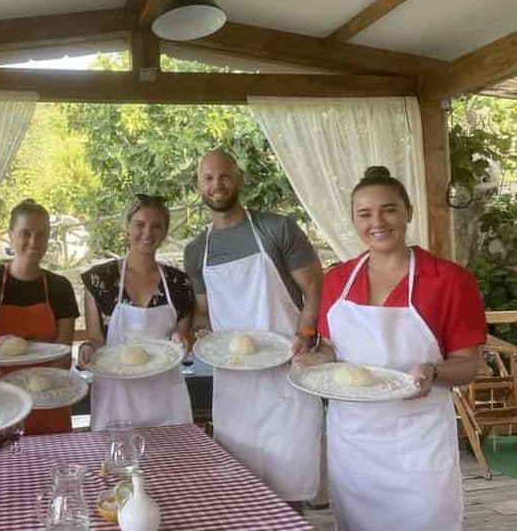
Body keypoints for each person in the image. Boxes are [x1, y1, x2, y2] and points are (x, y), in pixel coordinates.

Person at [293, 166, 485, 531]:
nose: (377, 222)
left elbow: (468, 364)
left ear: (408, 211)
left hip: (419, 442)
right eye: (364, 214)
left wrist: (433, 372)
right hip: (354, 443)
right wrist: (313, 359)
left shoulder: (449, 280)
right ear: (353, 220)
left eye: (389, 209)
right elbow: (333, 348)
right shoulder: (338, 279)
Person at [184, 148, 324, 506]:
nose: (217, 184)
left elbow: (313, 287)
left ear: (240, 178)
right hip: (235, 387)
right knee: (242, 494)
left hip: (286, 378)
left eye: (225, 175)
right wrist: (201, 332)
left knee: (288, 491)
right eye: (208, 178)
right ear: (199, 185)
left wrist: (306, 333)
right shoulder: (197, 250)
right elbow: (202, 312)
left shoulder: (276, 228)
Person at [78, 194, 194, 431]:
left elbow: (181, 340)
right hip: (116, 399)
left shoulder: (178, 283)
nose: (148, 232)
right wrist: (87, 348)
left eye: (156, 226)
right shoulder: (100, 280)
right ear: (127, 227)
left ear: (164, 232)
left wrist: (181, 340)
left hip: (164, 398)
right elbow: (96, 340)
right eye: (140, 224)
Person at [0, 199, 79, 434]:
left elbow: (64, 354)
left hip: (49, 398)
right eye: (25, 233)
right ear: (10, 235)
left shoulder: (59, 287)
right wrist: (4, 385)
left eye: (42, 235)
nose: (34, 242)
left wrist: (37, 393)